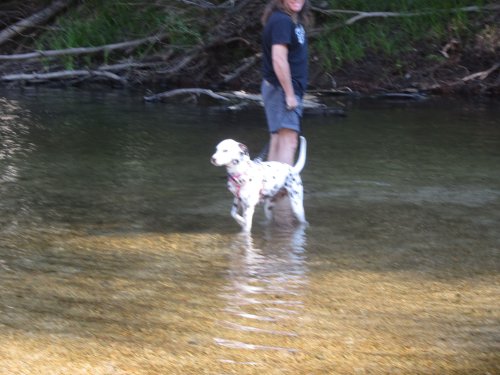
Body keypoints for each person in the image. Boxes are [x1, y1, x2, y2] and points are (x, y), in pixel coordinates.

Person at [261, 0, 310, 225]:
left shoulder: (291, 19)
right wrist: (290, 94)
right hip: (283, 89)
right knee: (288, 142)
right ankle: (282, 215)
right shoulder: (281, 20)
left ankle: (272, 205)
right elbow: (278, 60)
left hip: (282, 89)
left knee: (278, 141)